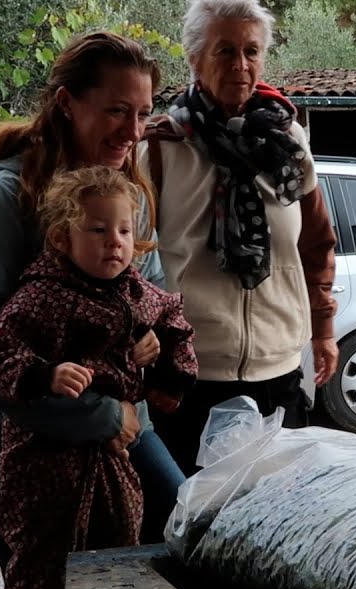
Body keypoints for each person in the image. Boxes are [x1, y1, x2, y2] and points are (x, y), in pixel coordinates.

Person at [0, 30, 185, 589]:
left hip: (116, 425)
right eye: (116, 110)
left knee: (147, 553)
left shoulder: (122, 189)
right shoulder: (4, 196)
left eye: (142, 113)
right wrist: (106, 415)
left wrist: (154, 341)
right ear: (66, 104)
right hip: (33, 437)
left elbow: (151, 293)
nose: (132, 129)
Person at [0, 164, 197, 589]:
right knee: (41, 575)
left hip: (111, 465)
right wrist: (45, 376)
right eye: (97, 230)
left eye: (122, 230)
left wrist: (166, 368)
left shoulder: (137, 293)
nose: (113, 242)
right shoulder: (40, 297)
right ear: (62, 237)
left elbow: (174, 319)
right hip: (42, 470)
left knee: (114, 566)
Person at [137, 0, 338, 476]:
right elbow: (131, 262)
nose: (240, 65)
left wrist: (324, 329)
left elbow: (315, 243)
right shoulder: (162, 149)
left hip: (279, 371)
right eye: (224, 50)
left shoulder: (288, 140)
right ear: (194, 58)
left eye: (251, 51)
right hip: (190, 377)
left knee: (275, 523)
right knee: (191, 526)